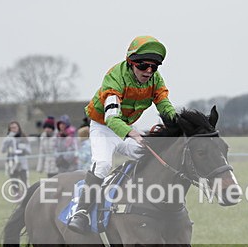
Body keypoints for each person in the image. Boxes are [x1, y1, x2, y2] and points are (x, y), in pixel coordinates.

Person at [67, 35, 177, 232]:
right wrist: (132, 133)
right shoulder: (115, 77)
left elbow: (164, 106)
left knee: (152, 157)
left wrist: (180, 124)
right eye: (143, 66)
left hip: (126, 127)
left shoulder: (156, 80)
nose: (149, 71)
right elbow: (111, 119)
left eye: (154, 67)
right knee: (103, 164)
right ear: (131, 62)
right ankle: (81, 212)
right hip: (103, 127)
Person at [1, 120, 31, 187]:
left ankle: (26, 193)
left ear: (18, 128)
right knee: (14, 184)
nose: (13, 129)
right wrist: (7, 140)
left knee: (25, 183)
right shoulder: (8, 139)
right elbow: (3, 150)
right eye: (11, 128)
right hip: (12, 165)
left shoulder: (24, 138)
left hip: (22, 165)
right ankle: (16, 193)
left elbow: (29, 152)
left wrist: (23, 148)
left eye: (15, 127)